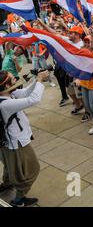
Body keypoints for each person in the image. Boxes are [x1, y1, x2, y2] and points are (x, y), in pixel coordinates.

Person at [0, 69, 50, 206]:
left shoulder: (8, 95)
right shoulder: (5, 104)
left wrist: (36, 79)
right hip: (15, 144)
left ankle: (6, 184)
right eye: (12, 79)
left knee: (10, 166)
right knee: (32, 169)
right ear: (5, 86)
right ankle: (18, 199)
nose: (15, 79)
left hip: (6, 143)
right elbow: (33, 99)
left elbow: (25, 92)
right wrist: (40, 80)